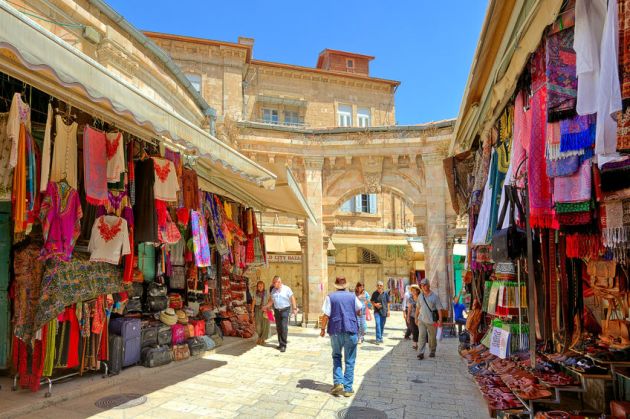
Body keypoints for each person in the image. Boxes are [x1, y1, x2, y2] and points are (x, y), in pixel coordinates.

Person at [320, 277, 362, 397]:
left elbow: (326, 315)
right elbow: (359, 310)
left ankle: (338, 382)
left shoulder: (330, 297)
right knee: (350, 360)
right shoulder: (352, 296)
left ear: (336, 285)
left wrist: (322, 329)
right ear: (345, 285)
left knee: (337, 356)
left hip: (336, 330)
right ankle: (348, 389)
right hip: (351, 330)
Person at [265, 276, 297, 352]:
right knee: (278, 327)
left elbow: (292, 298)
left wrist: (295, 308)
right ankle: (280, 344)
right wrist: (266, 306)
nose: (272, 284)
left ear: (278, 282)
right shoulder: (273, 290)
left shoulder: (287, 289)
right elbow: (271, 301)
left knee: (283, 327)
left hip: (285, 310)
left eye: (274, 282)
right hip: (277, 310)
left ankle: (283, 345)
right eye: (273, 282)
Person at [415, 278, 443, 359]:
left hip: (432, 321)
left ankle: (432, 350)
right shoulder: (420, 296)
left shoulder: (435, 297)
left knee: (432, 337)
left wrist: (440, 320)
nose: (423, 286)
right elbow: (417, 308)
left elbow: (439, 309)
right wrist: (416, 318)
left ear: (428, 285)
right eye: (422, 285)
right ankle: (420, 353)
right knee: (421, 336)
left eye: (425, 285)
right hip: (422, 320)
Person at [251, 280, 270, 345]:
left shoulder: (267, 292)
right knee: (258, 325)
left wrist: (267, 307)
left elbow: (270, 300)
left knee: (265, 325)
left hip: (266, 309)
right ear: (257, 287)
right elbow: (253, 302)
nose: (260, 287)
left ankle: (262, 339)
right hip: (257, 309)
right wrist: (252, 311)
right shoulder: (255, 292)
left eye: (261, 286)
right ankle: (259, 337)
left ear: (263, 286)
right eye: (258, 286)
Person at [408, 284, 421, 350]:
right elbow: (409, 308)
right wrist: (408, 317)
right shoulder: (410, 298)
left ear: (417, 290)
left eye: (414, 290)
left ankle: (420, 343)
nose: (412, 292)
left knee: (420, 331)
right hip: (412, 316)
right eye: (412, 290)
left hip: (420, 317)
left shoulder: (421, 297)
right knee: (414, 330)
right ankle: (415, 344)